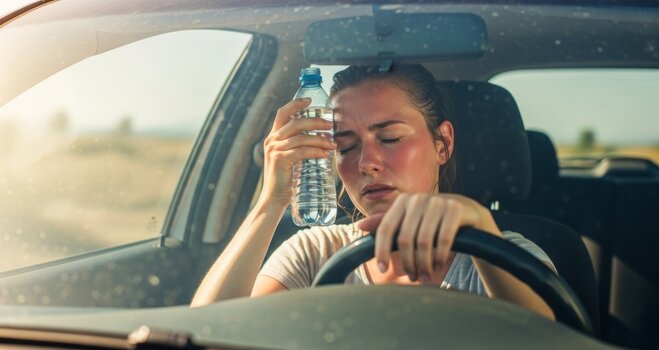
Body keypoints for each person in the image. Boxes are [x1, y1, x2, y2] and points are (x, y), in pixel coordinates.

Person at [192, 64, 556, 320]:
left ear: (442, 143)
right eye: (346, 147)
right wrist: (270, 202)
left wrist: (479, 226)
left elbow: (553, 347)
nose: (367, 163)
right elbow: (207, 335)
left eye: (390, 138)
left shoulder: (507, 256)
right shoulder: (313, 252)